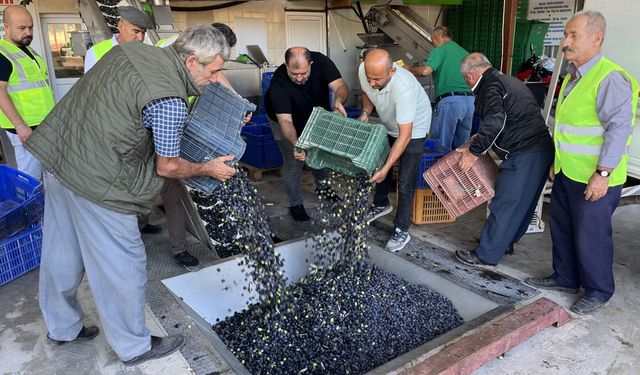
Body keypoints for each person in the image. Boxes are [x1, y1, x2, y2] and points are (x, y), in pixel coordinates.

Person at [24, 25, 236, 366]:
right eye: (214, 72)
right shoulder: (169, 101)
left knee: (61, 251)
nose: (215, 79)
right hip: (99, 180)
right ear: (193, 61)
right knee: (123, 265)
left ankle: (63, 328)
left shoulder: (132, 51)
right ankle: (133, 346)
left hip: (59, 156)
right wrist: (207, 168)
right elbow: (167, 167)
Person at [526, 10, 638, 315]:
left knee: (591, 236)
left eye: (573, 35)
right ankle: (565, 277)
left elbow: (619, 129)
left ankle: (599, 289)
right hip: (568, 172)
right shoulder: (575, 76)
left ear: (596, 38)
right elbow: (567, 127)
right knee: (561, 228)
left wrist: (602, 174)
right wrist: (556, 162)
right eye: (566, 34)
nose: (565, 41)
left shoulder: (609, 78)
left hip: (595, 177)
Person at [453, 53, 554, 268]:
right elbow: (507, 119)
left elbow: (495, 123)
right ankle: (503, 243)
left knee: (505, 203)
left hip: (524, 152)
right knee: (523, 204)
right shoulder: (506, 80)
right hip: (540, 150)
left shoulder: (489, 87)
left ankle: (485, 255)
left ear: (470, 77)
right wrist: (475, 141)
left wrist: (474, 152)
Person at [264, 47, 349, 221]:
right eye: (294, 73)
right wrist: (297, 144)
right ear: (286, 65)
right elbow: (286, 122)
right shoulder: (278, 83)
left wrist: (339, 100)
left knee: (318, 151)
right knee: (294, 160)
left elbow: (340, 86)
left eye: (303, 73)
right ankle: (296, 204)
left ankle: (323, 188)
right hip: (284, 119)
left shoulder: (322, 63)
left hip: (314, 113)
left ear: (311, 64)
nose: (299, 78)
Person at [359, 49, 431, 252]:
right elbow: (366, 91)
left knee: (405, 180)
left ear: (391, 71)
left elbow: (405, 135)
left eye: (377, 79)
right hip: (389, 122)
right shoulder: (364, 71)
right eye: (368, 77)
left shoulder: (404, 87)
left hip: (413, 129)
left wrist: (388, 167)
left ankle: (401, 229)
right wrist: (365, 112)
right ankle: (381, 204)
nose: (372, 82)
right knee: (379, 161)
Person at [0, 5, 55, 179]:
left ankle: (49, 206)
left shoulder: (27, 50)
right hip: (25, 129)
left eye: (30, 27)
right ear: (6, 27)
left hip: (42, 125)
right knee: (30, 177)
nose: (28, 32)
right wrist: (20, 126)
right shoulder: (3, 54)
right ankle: (32, 207)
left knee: (48, 174)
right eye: (22, 28)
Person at [408, 26, 474, 151]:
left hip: (451, 101)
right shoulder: (465, 53)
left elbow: (425, 71)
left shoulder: (440, 50)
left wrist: (408, 69)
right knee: (462, 147)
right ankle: (457, 171)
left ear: (437, 38)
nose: (434, 45)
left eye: (433, 42)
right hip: (470, 102)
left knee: (441, 145)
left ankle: (439, 170)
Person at [84, 6, 154, 71]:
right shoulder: (95, 52)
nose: (141, 38)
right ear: (120, 26)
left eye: (143, 32)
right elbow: (89, 83)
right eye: (136, 31)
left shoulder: (146, 54)